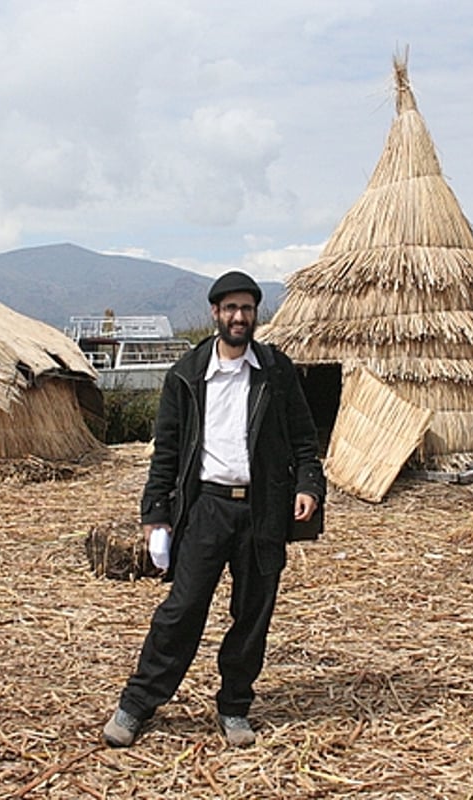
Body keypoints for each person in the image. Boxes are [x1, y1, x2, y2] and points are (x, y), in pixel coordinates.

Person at [103, 270, 325, 748]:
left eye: (247, 309)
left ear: (254, 315)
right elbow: (166, 452)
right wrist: (155, 513)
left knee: (252, 613)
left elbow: (305, 439)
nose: (239, 317)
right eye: (231, 309)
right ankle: (137, 703)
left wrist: (309, 485)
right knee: (181, 610)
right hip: (207, 508)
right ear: (215, 313)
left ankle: (235, 707)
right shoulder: (186, 375)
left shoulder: (276, 371)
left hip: (263, 509)